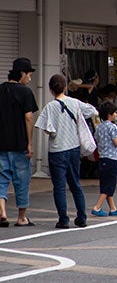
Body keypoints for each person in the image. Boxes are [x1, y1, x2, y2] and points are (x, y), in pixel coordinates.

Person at [35, 73, 98, 229]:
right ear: (64, 87)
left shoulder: (49, 107)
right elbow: (93, 111)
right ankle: (81, 217)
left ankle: (63, 220)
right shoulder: (75, 103)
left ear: (51, 89)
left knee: (59, 186)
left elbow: (47, 130)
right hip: (73, 148)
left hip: (57, 150)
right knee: (75, 184)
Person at [0, 57, 38, 227]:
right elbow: (29, 117)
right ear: (22, 74)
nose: (29, 79)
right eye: (29, 75)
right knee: (22, 181)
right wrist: (29, 143)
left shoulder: (0, 90)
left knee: (1, 179)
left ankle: (2, 211)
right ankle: (21, 218)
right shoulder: (25, 92)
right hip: (19, 144)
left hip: (1, 144)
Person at [91, 102, 117, 217]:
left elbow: (96, 139)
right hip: (112, 158)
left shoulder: (99, 127)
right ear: (109, 115)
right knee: (109, 185)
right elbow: (116, 142)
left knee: (106, 182)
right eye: (115, 112)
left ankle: (113, 208)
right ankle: (97, 207)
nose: (116, 114)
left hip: (102, 158)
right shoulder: (112, 127)